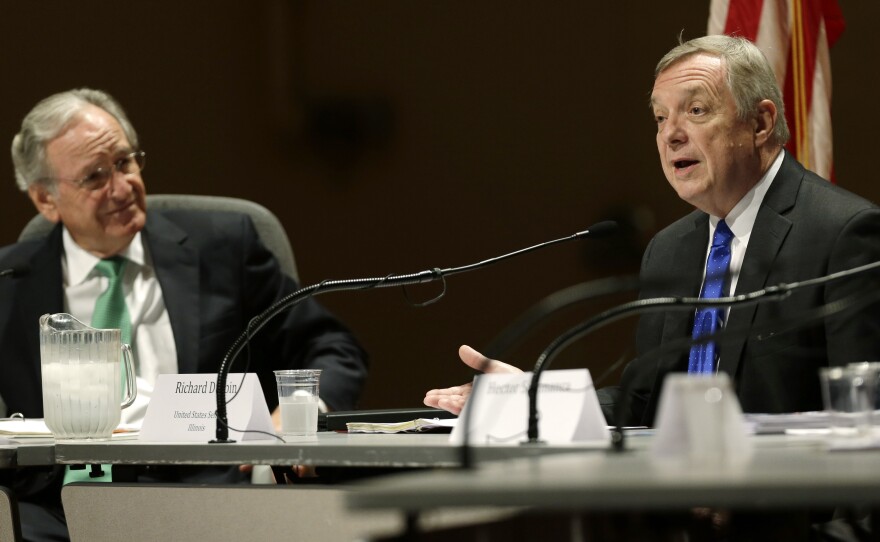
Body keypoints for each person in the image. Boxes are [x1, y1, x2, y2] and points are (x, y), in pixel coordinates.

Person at [425, 34, 880, 428]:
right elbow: (645, 404)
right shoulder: (671, 249)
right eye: (661, 118)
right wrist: (534, 398)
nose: (670, 135)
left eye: (696, 110)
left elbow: (866, 416)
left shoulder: (843, 235)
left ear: (760, 123)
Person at [0, 88, 369, 541]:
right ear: (46, 200)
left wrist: (294, 413)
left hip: (203, 493)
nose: (121, 187)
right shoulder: (9, 280)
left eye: (124, 162)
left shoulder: (223, 248)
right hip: (55, 507)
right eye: (95, 177)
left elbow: (332, 348)